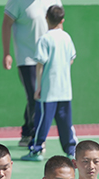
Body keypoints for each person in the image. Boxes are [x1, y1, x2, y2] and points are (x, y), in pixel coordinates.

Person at [2, 0, 62, 147]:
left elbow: (59, 26)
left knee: (38, 96)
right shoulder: (17, 2)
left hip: (48, 58)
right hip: (27, 58)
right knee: (35, 96)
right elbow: (6, 24)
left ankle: (27, 131)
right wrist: (7, 53)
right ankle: (36, 137)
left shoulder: (55, 1)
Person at [21, 5, 77, 161]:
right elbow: (71, 59)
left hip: (49, 90)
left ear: (46, 18)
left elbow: (40, 64)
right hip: (65, 90)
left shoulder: (44, 39)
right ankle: (71, 150)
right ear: (62, 20)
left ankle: (36, 150)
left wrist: (38, 87)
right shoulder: (67, 37)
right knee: (66, 122)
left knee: (42, 122)